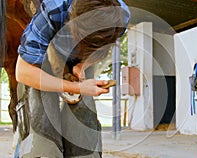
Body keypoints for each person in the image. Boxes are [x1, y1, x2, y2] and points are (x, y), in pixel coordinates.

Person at [15, 0, 130, 157]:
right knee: (41, 121)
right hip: (44, 58)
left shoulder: (120, 17)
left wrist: (82, 65)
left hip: (79, 58)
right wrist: (76, 88)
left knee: (83, 130)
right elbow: (23, 72)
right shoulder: (53, 10)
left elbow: (101, 49)